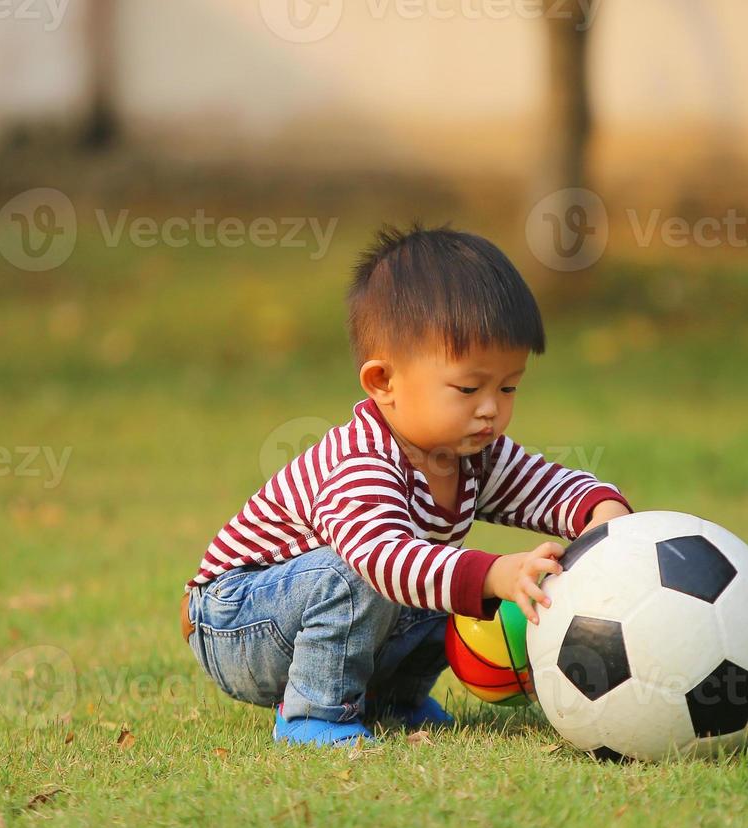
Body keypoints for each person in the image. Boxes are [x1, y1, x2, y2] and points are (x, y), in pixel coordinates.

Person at [179, 225, 632, 746]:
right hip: (237, 621)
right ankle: (312, 712)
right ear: (383, 383)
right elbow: (381, 559)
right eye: (468, 387)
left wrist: (601, 514)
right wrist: (495, 573)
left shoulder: (471, 452)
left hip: (312, 613)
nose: (491, 408)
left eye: (508, 387)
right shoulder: (361, 461)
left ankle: (396, 701)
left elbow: (542, 485)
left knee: (445, 581)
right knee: (371, 572)